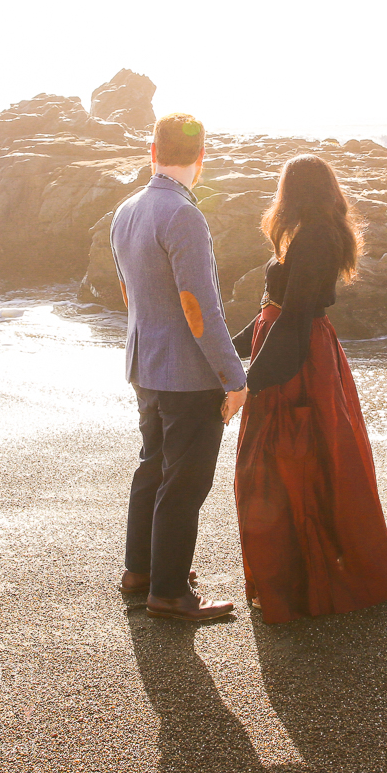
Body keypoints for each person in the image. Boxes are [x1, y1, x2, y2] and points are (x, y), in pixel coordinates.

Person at [232, 154, 387, 624]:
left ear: (292, 190)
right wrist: (229, 354)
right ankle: (292, 579)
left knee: (287, 469)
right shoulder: (311, 232)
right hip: (294, 352)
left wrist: (250, 383)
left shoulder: (314, 238)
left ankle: (303, 585)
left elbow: (296, 317)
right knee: (292, 467)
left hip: (298, 364)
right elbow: (276, 307)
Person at [111, 112, 249, 622]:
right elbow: (198, 306)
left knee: (153, 466)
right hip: (187, 374)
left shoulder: (126, 210)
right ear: (201, 157)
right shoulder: (183, 214)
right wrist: (234, 378)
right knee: (185, 481)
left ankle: (140, 570)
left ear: (153, 151)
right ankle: (168, 593)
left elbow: (130, 294)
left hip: (144, 362)